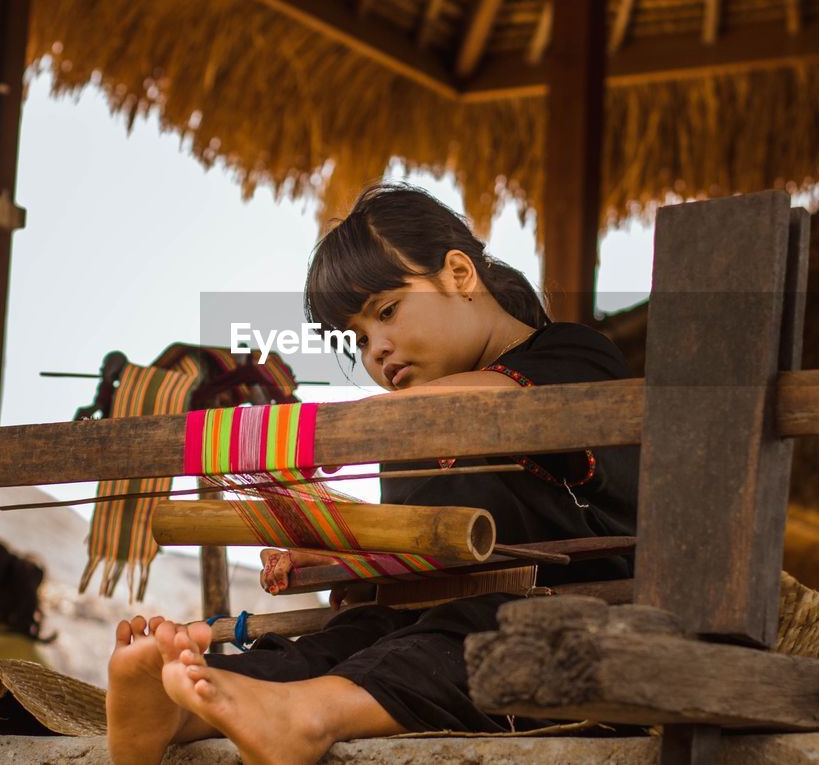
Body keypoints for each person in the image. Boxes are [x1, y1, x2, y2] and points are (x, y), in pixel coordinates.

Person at [106, 183, 639, 765]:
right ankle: (178, 711)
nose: (376, 350)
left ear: (459, 275)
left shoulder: (573, 356)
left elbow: (486, 406)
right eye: (359, 339)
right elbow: (421, 545)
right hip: (424, 624)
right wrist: (344, 549)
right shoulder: (401, 430)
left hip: (567, 623)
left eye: (387, 312)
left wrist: (335, 433)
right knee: (345, 640)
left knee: (462, 640)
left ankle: (307, 718)